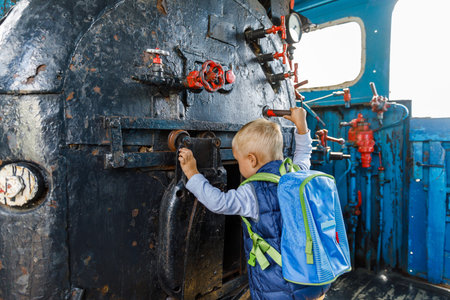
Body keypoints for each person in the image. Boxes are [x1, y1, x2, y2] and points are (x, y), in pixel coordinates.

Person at [178, 107, 330, 300]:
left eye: (238, 161)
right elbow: (304, 154)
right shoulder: (295, 173)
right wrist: (301, 126)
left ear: (252, 160)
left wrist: (192, 173)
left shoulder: (252, 191)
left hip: (277, 287)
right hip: (311, 277)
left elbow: (218, 202)